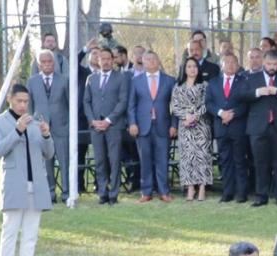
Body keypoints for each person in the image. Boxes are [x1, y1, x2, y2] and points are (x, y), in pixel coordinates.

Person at [0, 84, 54, 256]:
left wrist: (46, 134)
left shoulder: (35, 122)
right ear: (10, 99)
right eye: (19, 101)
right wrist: (17, 130)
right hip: (14, 184)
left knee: (31, 232)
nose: (23, 105)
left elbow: (48, 153)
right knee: (10, 230)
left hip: (36, 184)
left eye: (26, 101)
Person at [242, 49, 277, 207]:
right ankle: (261, 196)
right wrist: (258, 92)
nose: (272, 67)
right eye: (269, 64)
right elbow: (241, 95)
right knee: (260, 164)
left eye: (275, 64)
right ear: (263, 63)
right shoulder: (252, 78)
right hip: (258, 127)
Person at [127, 51, 176, 203]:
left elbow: (175, 106)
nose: (151, 61)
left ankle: (163, 192)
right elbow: (131, 105)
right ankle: (146, 192)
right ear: (142, 61)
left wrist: (174, 125)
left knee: (162, 160)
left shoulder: (170, 80)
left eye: (154, 58)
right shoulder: (136, 81)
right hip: (142, 127)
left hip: (163, 126)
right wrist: (132, 123)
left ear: (158, 60)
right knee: (145, 160)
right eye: (147, 59)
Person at [84, 48, 129, 205]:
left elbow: (123, 101)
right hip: (95, 126)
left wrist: (109, 120)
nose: (106, 61)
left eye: (109, 58)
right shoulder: (91, 79)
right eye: (102, 58)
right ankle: (102, 192)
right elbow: (86, 102)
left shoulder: (121, 78)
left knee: (114, 160)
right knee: (100, 160)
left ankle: (113, 193)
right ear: (98, 60)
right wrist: (92, 120)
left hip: (113, 126)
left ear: (113, 59)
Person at [26, 50, 70, 202]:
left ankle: (67, 193)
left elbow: (71, 105)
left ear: (54, 63)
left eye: (49, 61)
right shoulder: (32, 81)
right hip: (40, 128)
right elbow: (29, 106)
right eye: (43, 62)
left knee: (64, 161)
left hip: (61, 127)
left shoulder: (64, 80)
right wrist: (32, 125)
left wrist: (68, 125)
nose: (46, 65)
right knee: (46, 162)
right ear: (38, 65)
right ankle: (50, 192)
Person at [207, 51, 248, 203]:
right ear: (221, 65)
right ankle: (227, 192)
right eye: (227, 62)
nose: (230, 65)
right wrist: (220, 113)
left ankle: (241, 193)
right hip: (221, 127)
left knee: (239, 160)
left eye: (233, 62)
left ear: (238, 66)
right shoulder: (213, 82)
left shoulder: (243, 81)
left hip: (238, 127)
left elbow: (246, 103)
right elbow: (209, 103)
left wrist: (233, 114)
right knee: (225, 161)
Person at [169, 56, 212, 202]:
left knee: (202, 156)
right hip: (185, 126)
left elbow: (208, 104)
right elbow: (174, 106)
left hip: (201, 126)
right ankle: (190, 188)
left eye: (194, 66)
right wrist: (185, 116)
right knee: (187, 157)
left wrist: (195, 116)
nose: (192, 69)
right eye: (189, 66)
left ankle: (201, 188)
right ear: (184, 69)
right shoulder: (178, 86)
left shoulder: (204, 85)